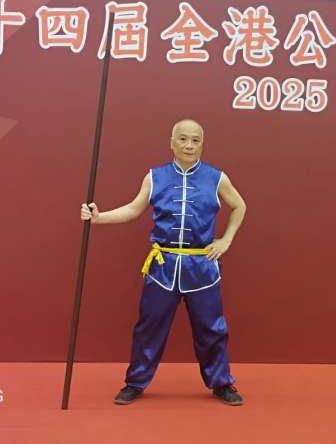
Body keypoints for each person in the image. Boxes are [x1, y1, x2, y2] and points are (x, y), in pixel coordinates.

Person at [80, 119, 246, 406]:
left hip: (202, 267)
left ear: (202, 144)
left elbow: (240, 206)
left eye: (195, 140)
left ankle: (221, 383)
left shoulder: (216, 177)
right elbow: (134, 208)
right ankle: (135, 382)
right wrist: (99, 218)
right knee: (149, 327)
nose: (189, 145)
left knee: (212, 329)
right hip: (163, 267)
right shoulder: (155, 177)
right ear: (172, 142)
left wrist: (226, 240)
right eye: (183, 139)